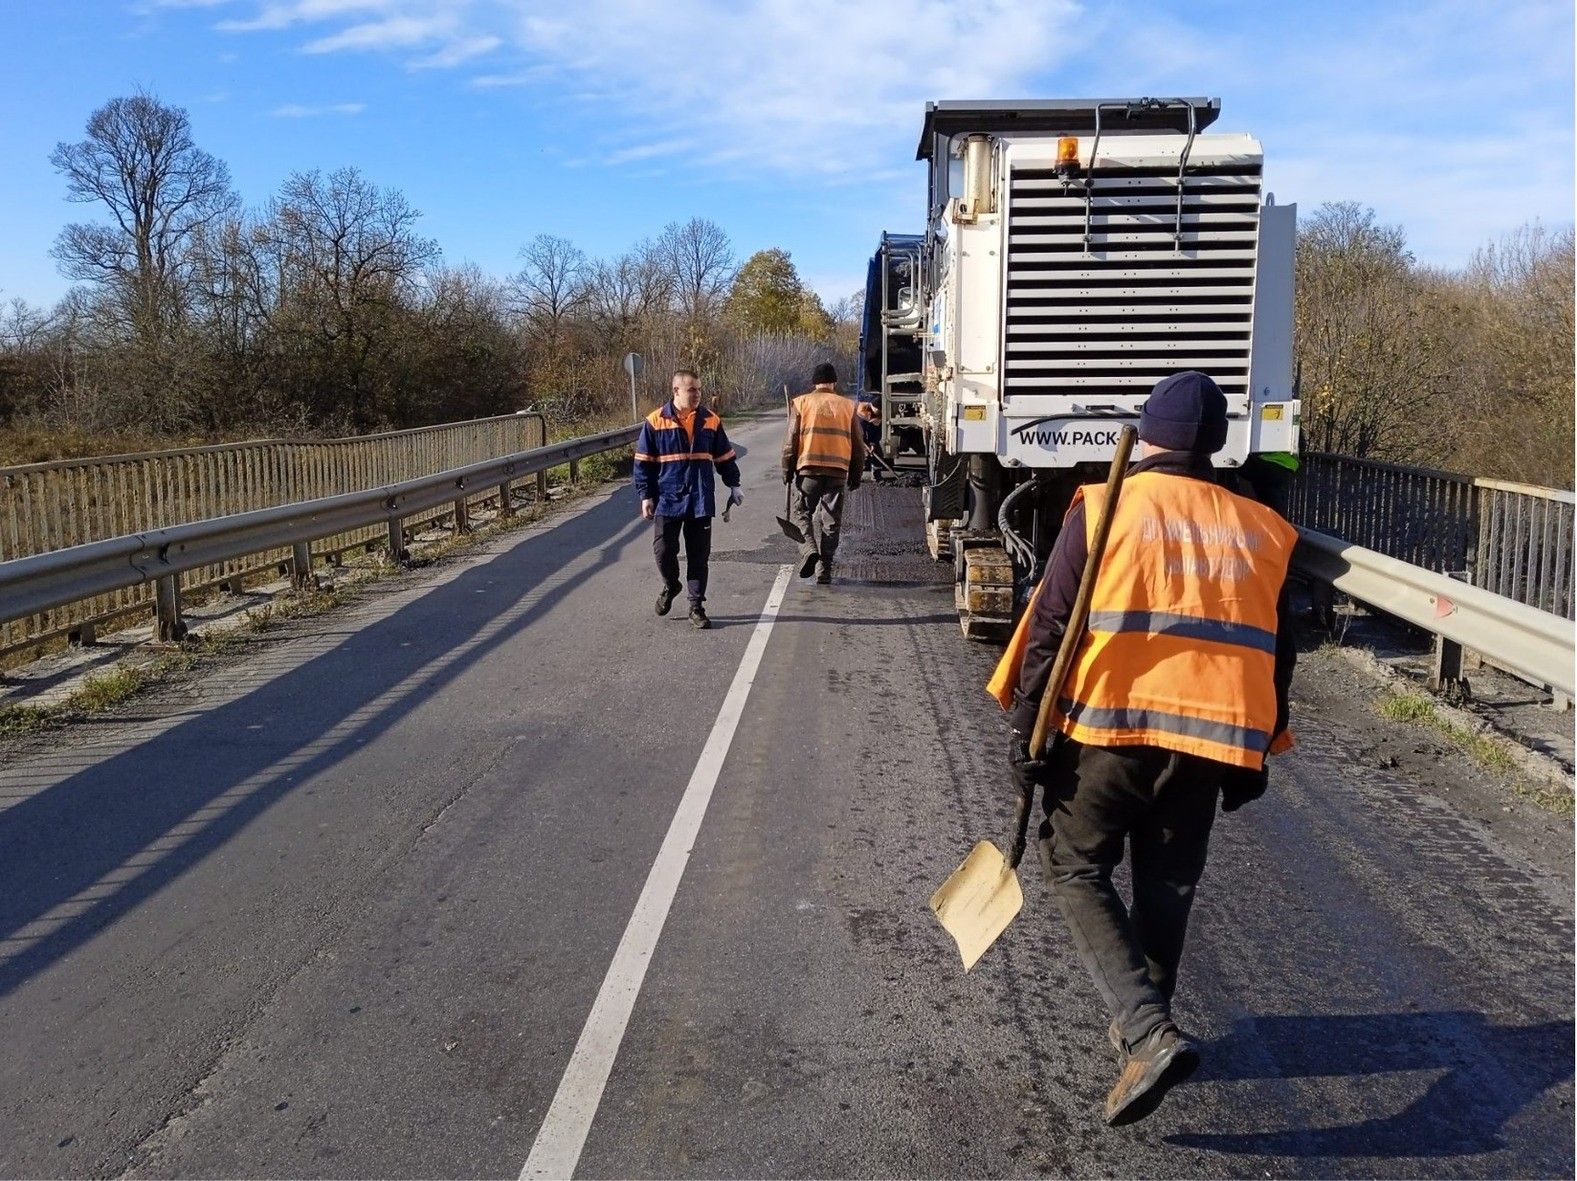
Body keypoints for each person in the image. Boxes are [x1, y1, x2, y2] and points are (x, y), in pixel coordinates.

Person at [995, 370, 1298, 1127]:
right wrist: (1258, 749)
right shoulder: (1261, 527)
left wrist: (1028, 727)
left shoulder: (1106, 506)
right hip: (1208, 742)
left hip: (1110, 732)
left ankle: (1145, 1029)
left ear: (1149, 434)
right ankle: (1150, 1022)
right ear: (1217, 443)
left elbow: (1051, 622)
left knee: (1073, 864)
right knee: (1168, 883)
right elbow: (1278, 649)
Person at [632, 369, 742, 630]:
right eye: (692, 390)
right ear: (676, 391)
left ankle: (696, 607)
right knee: (663, 551)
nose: (697, 394)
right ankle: (671, 585)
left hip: (700, 498)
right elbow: (643, 463)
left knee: (699, 556)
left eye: (699, 390)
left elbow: (724, 457)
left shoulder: (710, 420)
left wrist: (734, 484)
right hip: (667, 498)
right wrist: (646, 496)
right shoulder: (656, 421)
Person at [781, 363, 862, 584]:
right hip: (837, 472)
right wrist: (856, 475)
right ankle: (824, 568)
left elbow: (790, 443)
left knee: (802, 513)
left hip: (809, 470)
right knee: (831, 520)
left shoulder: (801, 403)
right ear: (834, 383)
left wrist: (787, 470)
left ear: (814, 383)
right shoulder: (847, 406)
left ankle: (809, 550)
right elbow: (858, 445)